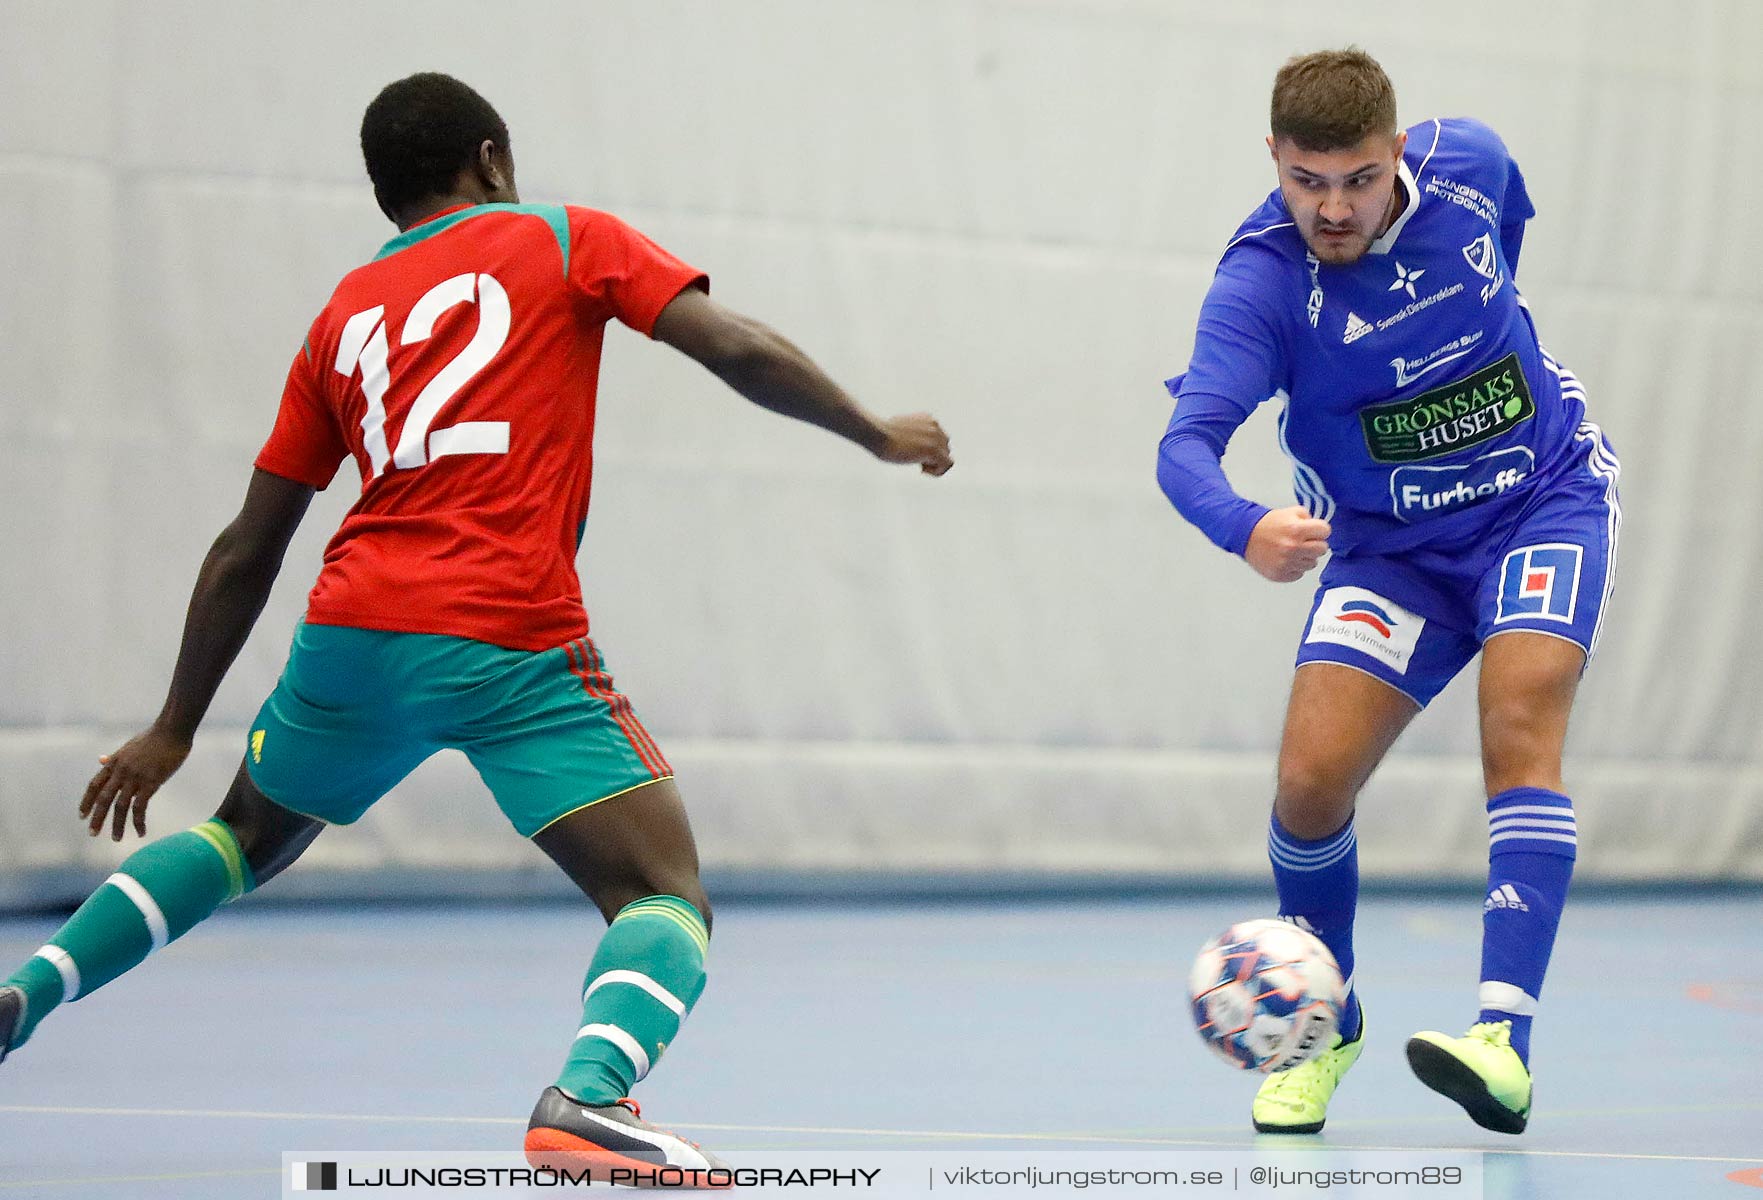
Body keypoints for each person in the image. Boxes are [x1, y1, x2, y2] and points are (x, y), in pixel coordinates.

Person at [0, 72, 952, 1175]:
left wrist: (172, 725)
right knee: (657, 894)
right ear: (492, 160)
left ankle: (26, 993)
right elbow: (730, 345)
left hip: (349, 635)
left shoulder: (341, 318)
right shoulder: (562, 239)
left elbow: (246, 545)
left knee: (237, 838)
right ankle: (588, 1097)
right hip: (505, 634)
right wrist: (873, 430)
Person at [1157, 48, 1618, 1136]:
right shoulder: (1261, 284)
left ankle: (1500, 1043)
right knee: (1308, 788)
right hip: (1390, 553)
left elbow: (1506, 244)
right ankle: (1327, 1022)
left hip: (1537, 501)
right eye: (1305, 180)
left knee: (1517, 722)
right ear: (1272, 158)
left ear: (1398, 151)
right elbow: (1185, 447)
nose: (1331, 207)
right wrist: (1245, 527)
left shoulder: (1473, 166)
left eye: (1356, 179)